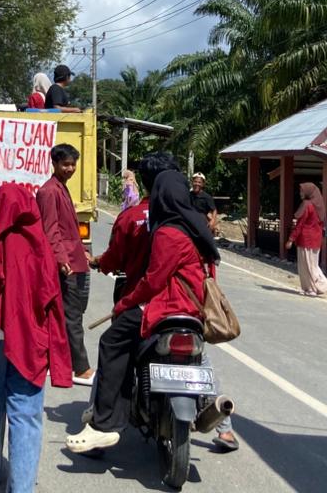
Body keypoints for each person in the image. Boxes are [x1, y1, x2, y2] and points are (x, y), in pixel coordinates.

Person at [68, 159, 232, 454]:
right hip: (193, 311)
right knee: (199, 355)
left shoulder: (163, 229)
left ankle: (104, 423)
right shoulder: (196, 225)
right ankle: (223, 426)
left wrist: (124, 304)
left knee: (112, 344)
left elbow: (152, 280)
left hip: (163, 306)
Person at [0, 184, 72, 492]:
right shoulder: (40, 245)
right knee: (26, 415)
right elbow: (52, 299)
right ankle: (22, 487)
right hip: (31, 340)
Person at [36, 143, 93, 386]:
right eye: (65, 164)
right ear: (55, 164)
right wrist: (61, 260)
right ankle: (80, 367)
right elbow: (51, 230)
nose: (70, 169)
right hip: (67, 263)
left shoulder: (61, 188)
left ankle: (64, 361)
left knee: (73, 312)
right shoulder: (49, 191)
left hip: (75, 259)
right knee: (71, 316)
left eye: (73, 164)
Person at [287, 182, 327, 297]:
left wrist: (291, 239)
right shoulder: (319, 205)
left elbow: (300, 224)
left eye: (302, 191)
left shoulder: (307, 205)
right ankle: (312, 287)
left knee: (305, 266)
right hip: (316, 240)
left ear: (308, 192)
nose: (300, 193)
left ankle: (312, 288)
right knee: (312, 265)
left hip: (306, 239)